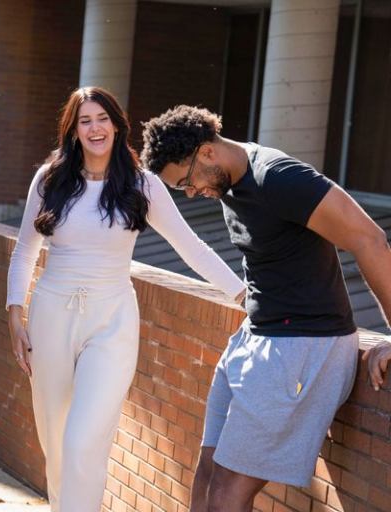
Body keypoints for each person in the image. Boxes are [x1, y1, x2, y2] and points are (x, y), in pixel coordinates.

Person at [140, 105, 391, 512]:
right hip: (257, 337)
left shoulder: (278, 177)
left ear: (206, 152)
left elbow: (370, 239)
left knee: (227, 492)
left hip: (302, 345)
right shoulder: (227, 183)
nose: (190, 193)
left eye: (186, 182)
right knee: (207, 476)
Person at [6, 88, 245, 512]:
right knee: (57, 443)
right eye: (85, 121)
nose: (95, 128)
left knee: (84, 440)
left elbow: (192, 249)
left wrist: (244, 293)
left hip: (112, 322)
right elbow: (25, 250)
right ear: (73, 130)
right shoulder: (49, 180)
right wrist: (15, 316)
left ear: (117, 125)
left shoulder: (142, 184)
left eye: (102, 118)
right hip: (49, 318)